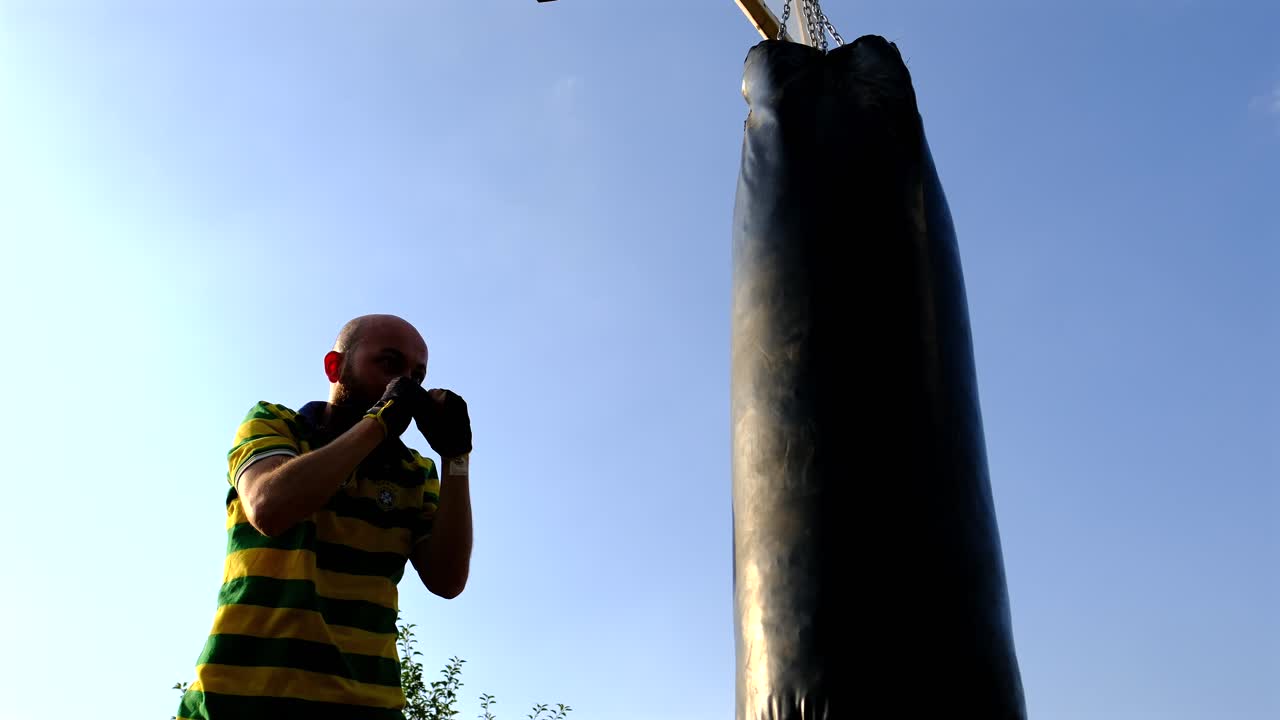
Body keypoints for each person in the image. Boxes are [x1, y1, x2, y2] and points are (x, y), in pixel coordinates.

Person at [174, 314, 474, 720]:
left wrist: (455, 458)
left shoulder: (415, 472)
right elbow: (269, 506)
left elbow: (448, 579)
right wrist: (380, 422)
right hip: (239, 699)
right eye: (389, 364)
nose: (406, 386)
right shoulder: (274, 424)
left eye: (416, 376)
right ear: (335, 367)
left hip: (367, 705)